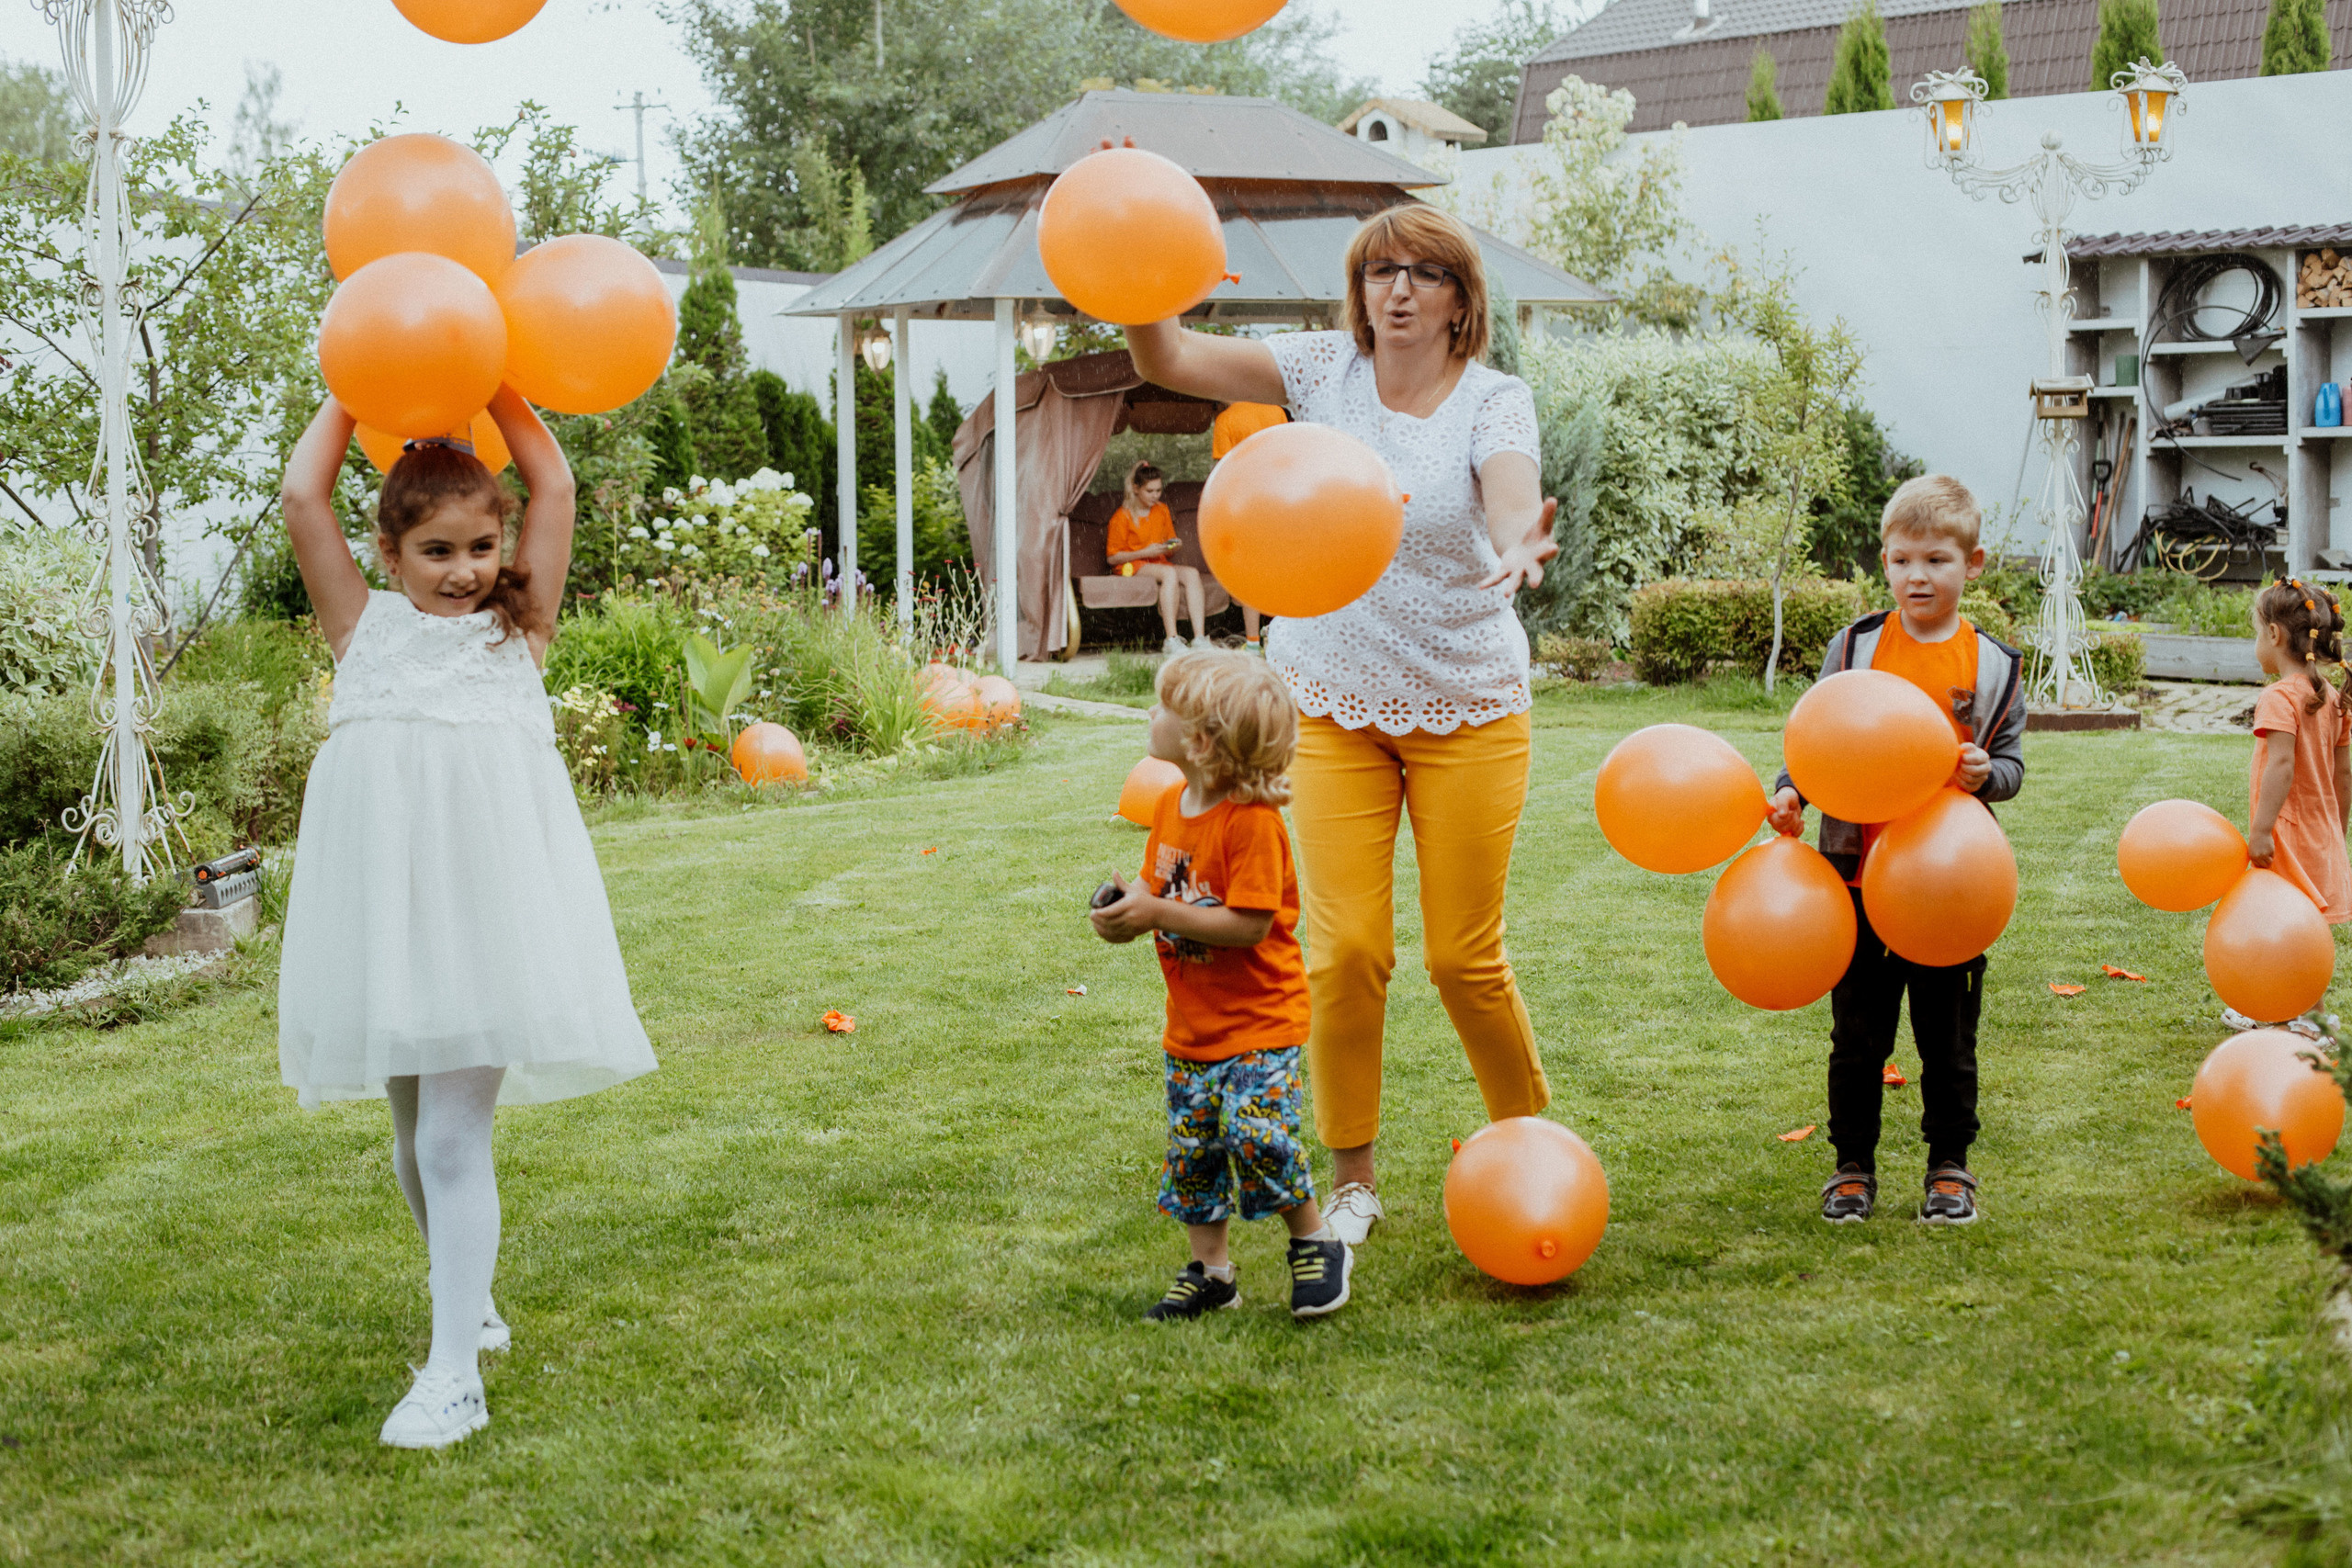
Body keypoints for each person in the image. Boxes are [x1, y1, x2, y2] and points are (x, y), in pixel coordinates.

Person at [1125, 204, 1558, 1248]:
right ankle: (1353, 1178)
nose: (1396, 290)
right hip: (1327, 702)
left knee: (1464, 958)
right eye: (1378, 273)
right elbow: (1172, 353)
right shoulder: (1321, 370)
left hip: (1466, 705)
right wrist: (1138, 271)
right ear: (1358, 292)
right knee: (1345, 949)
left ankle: (1533, 1152)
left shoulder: (1495, 402)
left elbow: (1509, 499)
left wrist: (1519, 545)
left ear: (1462, 300)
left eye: (1421, 274)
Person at [276, 389, 658, 1449]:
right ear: (388, 553)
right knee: (410, 1136)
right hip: (391, 917)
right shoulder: (362, 628)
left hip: (488, 915)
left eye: (482, 544)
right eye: (437, 549)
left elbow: (559, 484)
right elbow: (303, 491)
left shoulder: (517, 631)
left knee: (450, 1135)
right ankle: (471, 1298)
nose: (464, 569)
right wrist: (353, 389)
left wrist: (495, 384)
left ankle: (454, 1375)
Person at [1765, 474, 2026, 1228]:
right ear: (1884, 562)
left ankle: (1950, 1166)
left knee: (1948, 1038)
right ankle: (1852, 1167)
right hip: (1853, 881)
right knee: (1858, 1035)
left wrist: (1988, 774)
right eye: (1904, 559)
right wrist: (1791, 795)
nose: (1920, 575)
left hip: (1947, 885)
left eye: (1938, 560)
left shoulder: (1994, 664)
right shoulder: (1855, 646)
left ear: (1971, 565)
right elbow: (1816, 743)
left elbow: (2010, 766)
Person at [1090, 650, 1351, 1320]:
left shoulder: (1251, 822)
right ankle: (1213, 1274)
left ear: (1202, 741)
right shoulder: (1172, 805)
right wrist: (1128, 907)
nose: (1152, 714)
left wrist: (1157, 912)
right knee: (1196, 1153)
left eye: (1165, 709)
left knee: (1260, 1137)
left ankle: (1315, 1241)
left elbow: (1250, 924)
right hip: (1194, 1026)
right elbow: (1161, 885)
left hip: (1259, 1023)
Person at [2245, 579, 2352, 937]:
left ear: (2274, 634)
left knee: (2282, 936)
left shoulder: (2278, 697)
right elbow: (2345, 775)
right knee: (2309, 938)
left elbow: (2282, 765)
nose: (2256, 643)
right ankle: (2311, 996)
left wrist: (2260, 831)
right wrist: (2338, 830)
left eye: (2257, 634)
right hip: (2323, 836)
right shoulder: (2334, 698)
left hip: (2288, 839)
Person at [1106, 460, 1209, 655]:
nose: (1155, 496)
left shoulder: (1161, 510)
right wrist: (1145, 553)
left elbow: (1167, 547)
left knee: (1191, 573)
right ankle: (1171, 639)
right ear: (1136, 489)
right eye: (1150, 491)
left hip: (1158, 562)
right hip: (1130, 565)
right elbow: (1112, 558)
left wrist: (1173, 545)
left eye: (1158, 491)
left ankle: (1200, 638)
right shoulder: (1122, 516)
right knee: (1169, 573)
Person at [1210, 401, 1290, 653]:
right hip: (1279, 501)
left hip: (1247, 505)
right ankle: (1279, 634)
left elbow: (1222, 471)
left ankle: (1253, 642)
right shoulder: (1276, 411)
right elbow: (1289, 454)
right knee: (1279, 571)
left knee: (1250, 575)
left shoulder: (1225, 419)